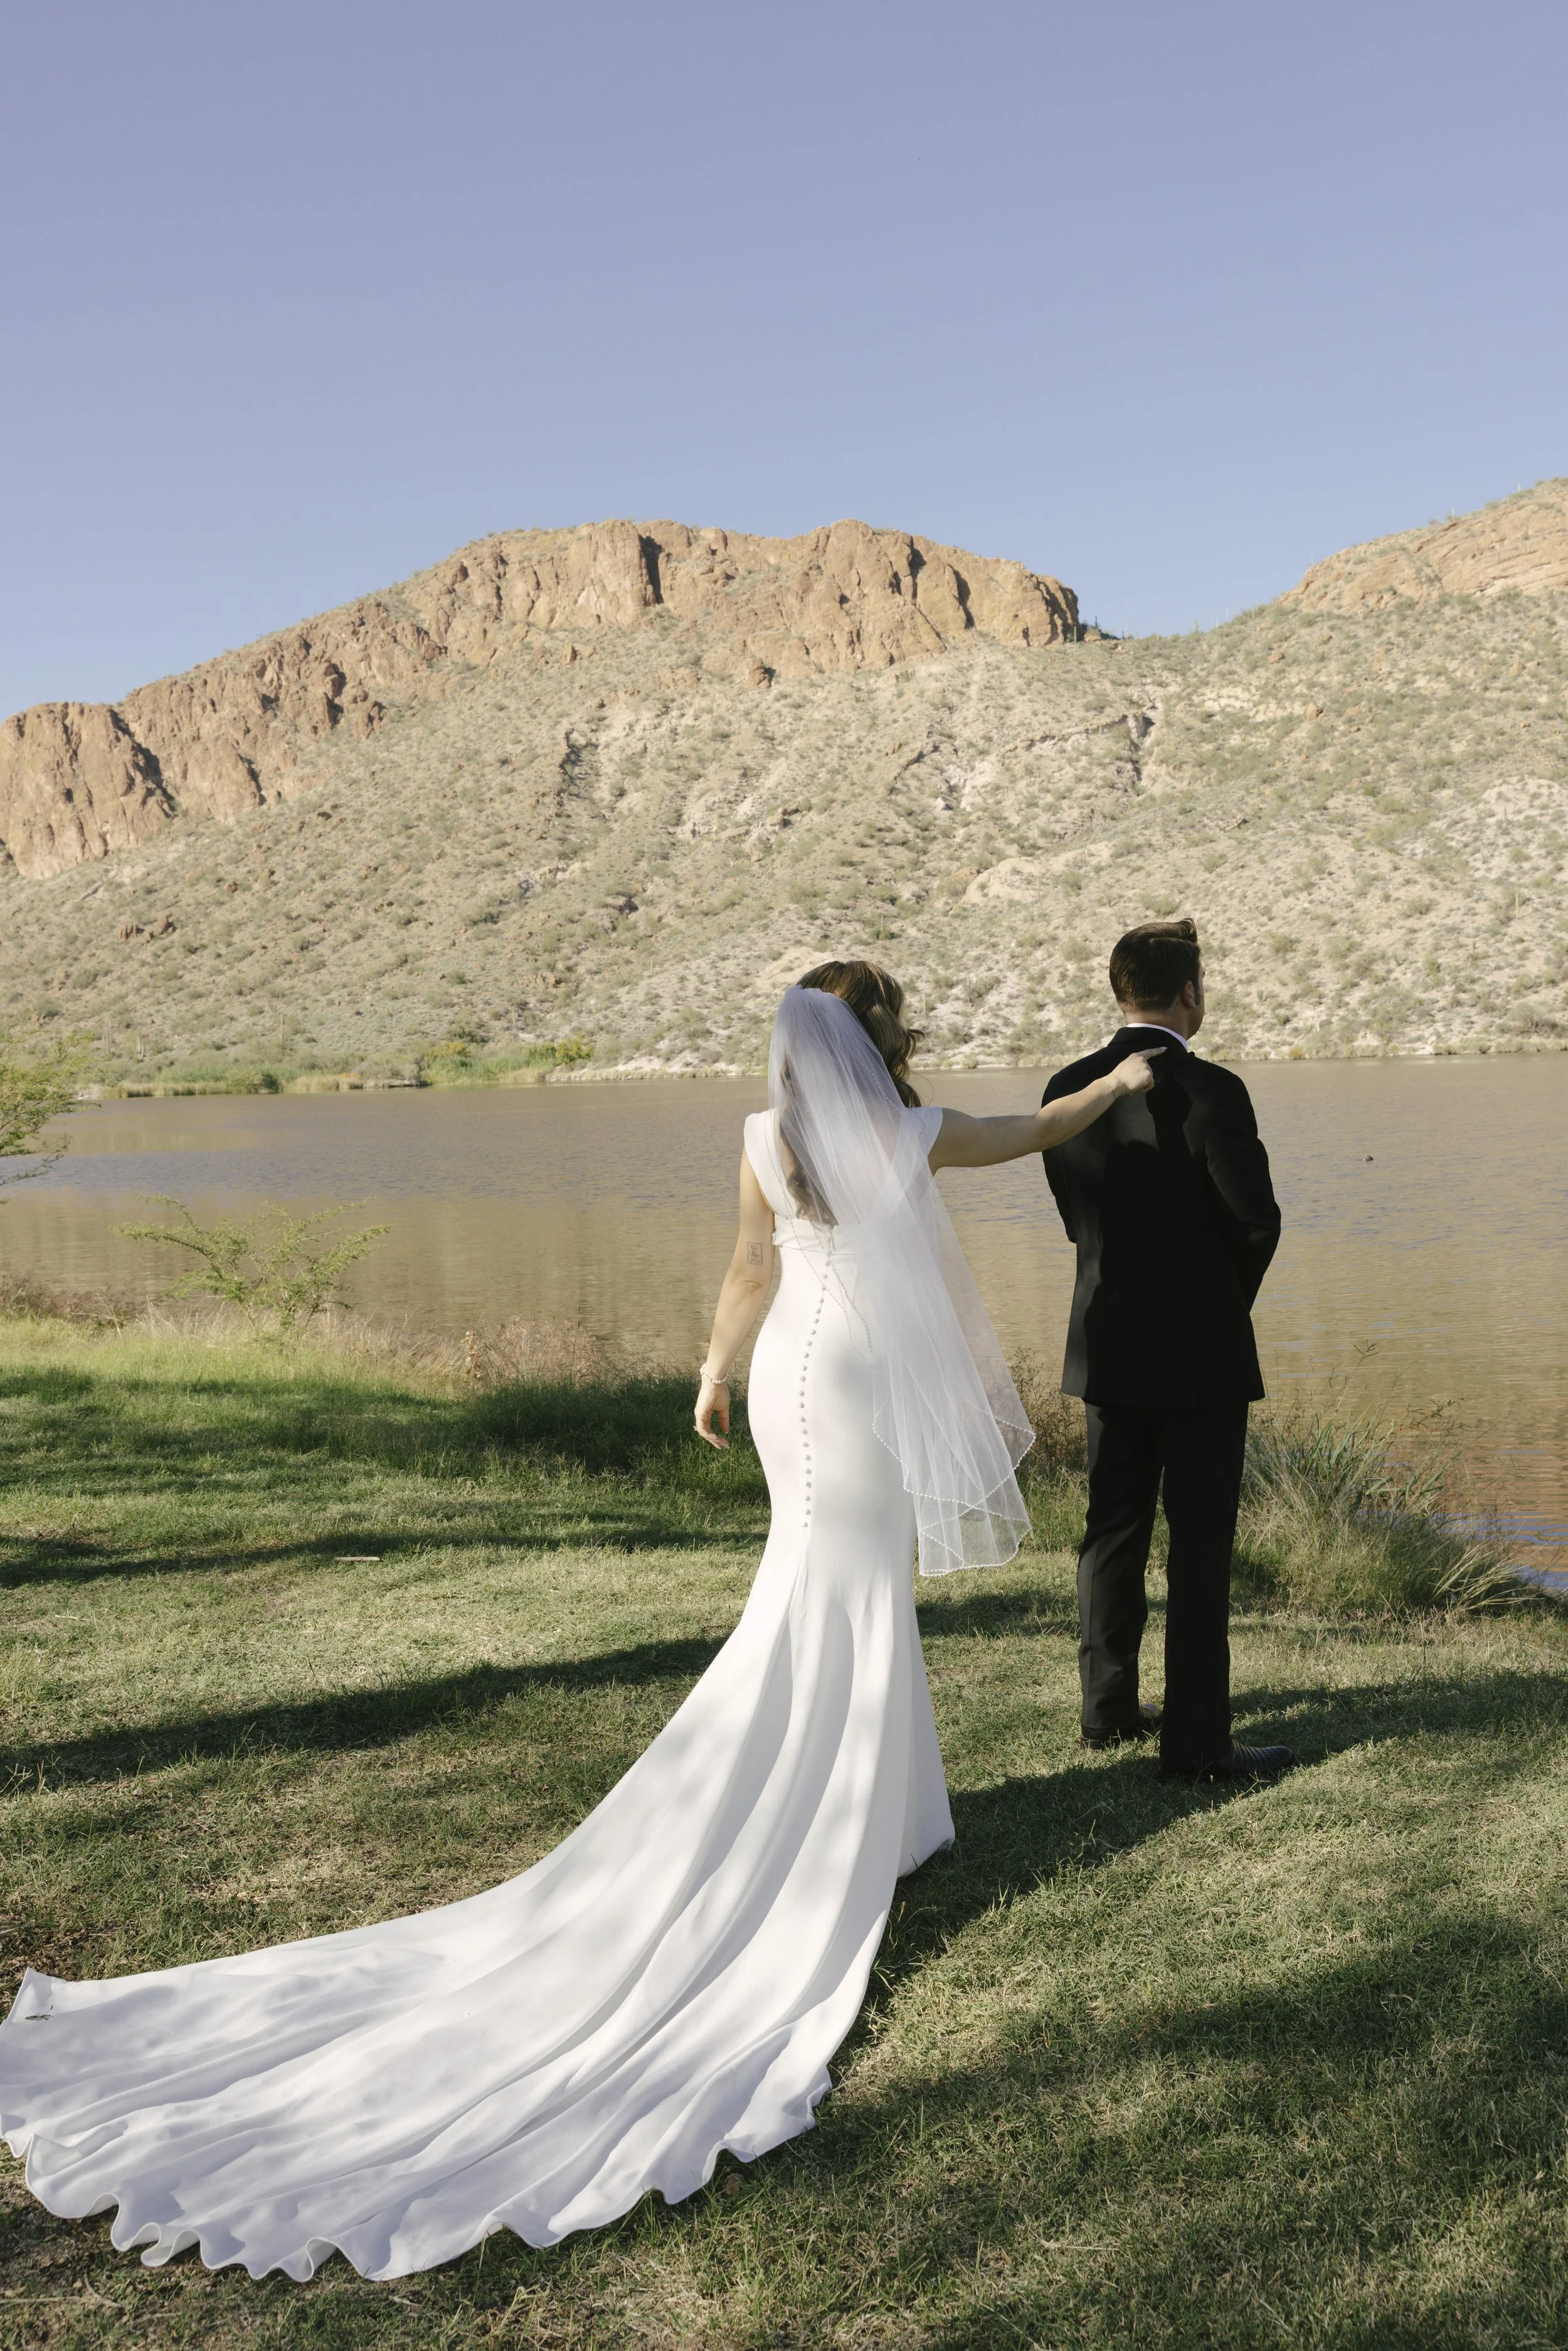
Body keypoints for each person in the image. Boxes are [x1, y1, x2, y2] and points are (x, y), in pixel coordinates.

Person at [0, 960, 1155, 2284]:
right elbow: (1036, 1132)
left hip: (791, 1372)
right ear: (879, 1037)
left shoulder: (762, 1138)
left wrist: (715, 1369)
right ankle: (821, 1822)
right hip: (851, 1380)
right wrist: (1121, 1078)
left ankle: (889, 1814)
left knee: (819, 1580)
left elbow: (746, 1266)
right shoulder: (907, 1131)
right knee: (840, 1589)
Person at [1040, 917, 1293, 1783]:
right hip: (1200, 1357)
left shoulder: (1068, 1085)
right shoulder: (1215, 1090)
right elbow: (1256, 1221)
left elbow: (1076, 1219)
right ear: (1188, 992)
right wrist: (1221, 1305)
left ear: (1122, 990)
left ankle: (1107, 1712)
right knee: (1198, 1547)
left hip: (1105, 1346)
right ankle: (1197, 1744)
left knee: (1110, 1531)